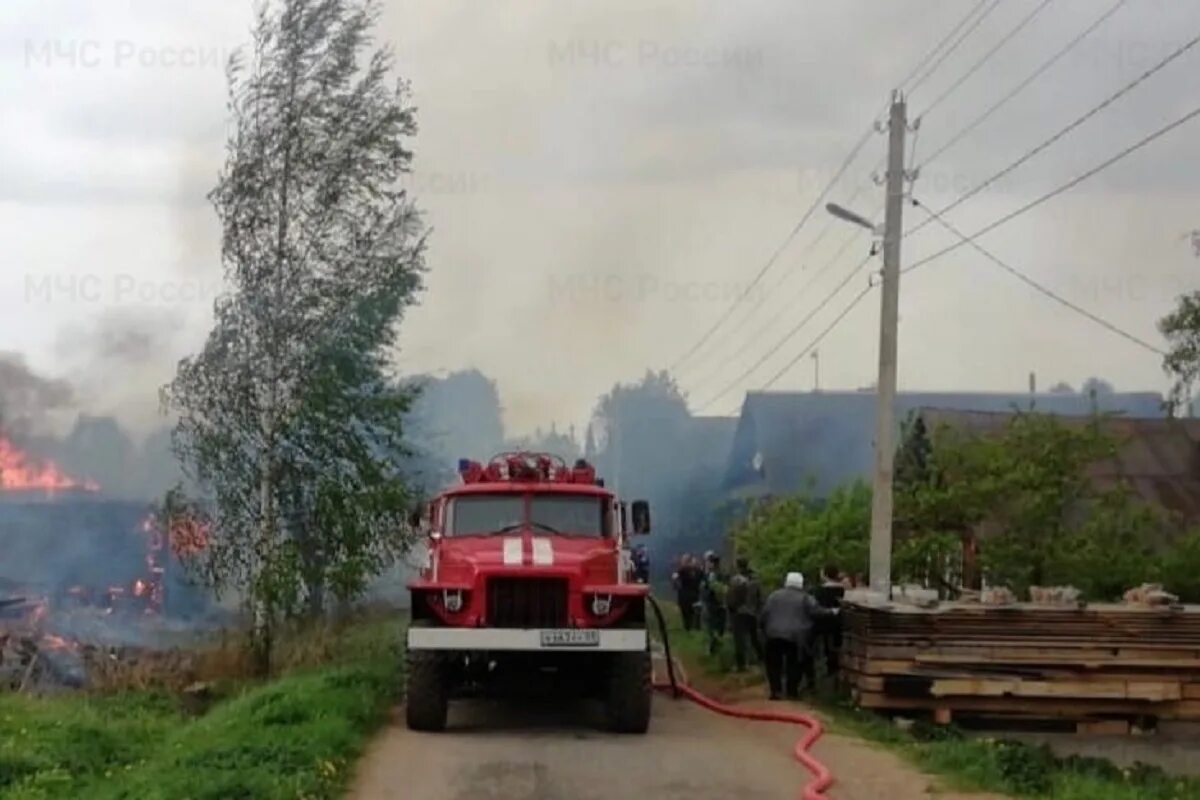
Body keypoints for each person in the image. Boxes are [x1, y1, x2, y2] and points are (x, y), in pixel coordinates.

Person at [759, 571, 836, 700]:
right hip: (795, 636)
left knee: (773, 664)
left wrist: (764, 629)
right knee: (793, 664)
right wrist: (833, 611)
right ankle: (792, 691)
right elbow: (816, 611)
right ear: (801, 584)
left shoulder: (773, 595)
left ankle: (775, 691)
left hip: (773, 634)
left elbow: (764, 614)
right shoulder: (805, 597)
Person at [726, 557, 764, 671]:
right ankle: (762, 659)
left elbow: (730, 598)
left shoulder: (736, 580)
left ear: (738, 566)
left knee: (739, 640)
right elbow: (759, 597)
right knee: (755, 638)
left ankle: (741, 665)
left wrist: (731, 610)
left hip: (739, 613)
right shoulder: (755, 579)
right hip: (752, 612)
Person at [811, 563, 847, 680]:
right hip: (839, 623)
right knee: (837, 646)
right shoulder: (842, 589)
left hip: (822, 624)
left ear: (825, 575)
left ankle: (826, 671)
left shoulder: (819, 591)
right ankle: (837, 670)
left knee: (825, 647)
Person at [700, 551, 728, 655]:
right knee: (716, 628)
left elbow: (710, 590)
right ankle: (716, 648)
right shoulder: (720, 574)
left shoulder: (713, 575)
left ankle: (714, 649)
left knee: (712, 627)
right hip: (717, 605)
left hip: (713, 604)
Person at [673, 554, 703, 631]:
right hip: (689, 596)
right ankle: (691, 629)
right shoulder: (695, 570)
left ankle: (690, 629)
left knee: (689, 615)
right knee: (689, 615)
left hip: (688, 596)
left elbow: (675, 580)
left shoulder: (695, 571)